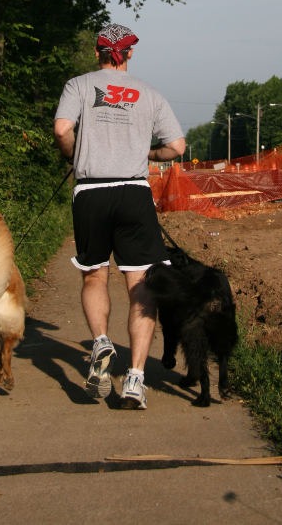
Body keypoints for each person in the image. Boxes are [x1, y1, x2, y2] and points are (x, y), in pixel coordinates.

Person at [53, 23, 185, 409]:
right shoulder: (150, 94)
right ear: (129, 55)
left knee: (94, 274)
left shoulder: (78, 85)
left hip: (91, 192)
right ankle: (135, 380)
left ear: (98, 53)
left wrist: (72, 154)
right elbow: (176, 146)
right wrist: (149, 155)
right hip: (133, 193)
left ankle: (100, 343)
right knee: (141, 285)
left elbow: (62, 129)